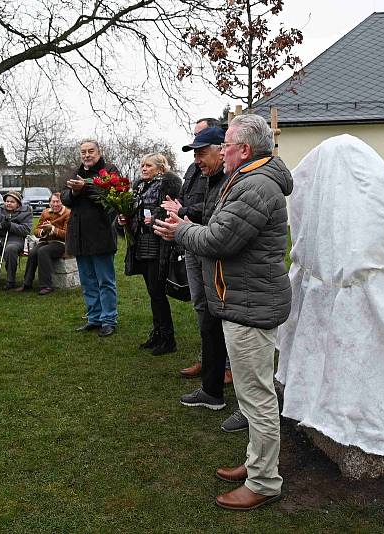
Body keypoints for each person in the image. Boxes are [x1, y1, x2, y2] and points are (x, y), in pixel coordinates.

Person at [155, 114, 292, 511]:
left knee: (257, 397)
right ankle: (256, 464)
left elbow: (219, 238)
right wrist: (187, 225)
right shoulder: (249, 179)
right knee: (252, 396)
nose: (221, 150)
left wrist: (180, 230)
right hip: (245, 299)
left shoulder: (256, 185)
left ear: (244, 150)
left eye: (226, 144)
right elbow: (220, 229)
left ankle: (265, 481)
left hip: (251, 304)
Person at [161, 126, 243, 428]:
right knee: (207, 320)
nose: (197, 159)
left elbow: (219, 226)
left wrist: (183, 225)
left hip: (224, 267)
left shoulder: (233, 180)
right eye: (194, 153)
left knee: (222, 326)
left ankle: (228, 390)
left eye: (201, 152)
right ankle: (211, 389)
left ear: (222, 150)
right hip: (205, 255)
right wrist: (183, 222)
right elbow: (206, 213)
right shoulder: (208, 178)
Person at [118, 154, 181, 355]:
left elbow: (171, 211)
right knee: (153, 292)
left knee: (157, 292)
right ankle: (158, 334)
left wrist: (154, 219)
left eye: (148, 165)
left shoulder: (169, 185)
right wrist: (123, 219)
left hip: (159, 244)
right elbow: (133, 210)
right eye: (142, 165)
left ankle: (168, 339)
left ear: (160, 168)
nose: (143, 168)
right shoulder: (139, 187)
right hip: (141, 244)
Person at [62, 139, 120, 337]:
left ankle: (109, 319)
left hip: (101, 234)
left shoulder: (110, 170)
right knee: (87, 281)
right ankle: (94, 318)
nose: (86, 155)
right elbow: (65, 199)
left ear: (99, 152)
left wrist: (83, 188)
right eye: (83, 152)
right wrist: (73, 191)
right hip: (78, 235)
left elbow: (110, 195)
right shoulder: (74, 172)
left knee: (105, 281)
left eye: (90, 151)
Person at [16, 192, 70, 295]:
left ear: (62, 202)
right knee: (33, 253)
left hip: (61, 243)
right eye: (53, 201)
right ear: (50, 203)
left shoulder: (67, 213)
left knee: (43, 251)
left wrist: (53, 229)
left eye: (58, 201)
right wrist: (43, 231)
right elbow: (36, 231)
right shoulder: (45, 213)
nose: (55, 204)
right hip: (45, 241)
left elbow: (67, 234)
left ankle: (46, 285)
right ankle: (27, 283)